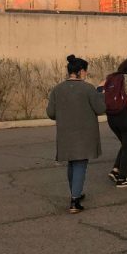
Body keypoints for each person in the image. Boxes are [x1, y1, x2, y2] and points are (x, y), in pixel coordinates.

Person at [46, 55, 106, 214]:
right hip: (84, 133)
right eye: (85, 71)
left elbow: (51, 113)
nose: (86, 74)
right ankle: (74, 201)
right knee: (80, 164)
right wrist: (100, 92)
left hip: (65, 133)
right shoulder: (88, 89)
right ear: (80, 71)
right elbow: (100, 109)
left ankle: (75, 192)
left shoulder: (57, 89)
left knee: (72, 163)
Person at [102, 57, 127, 188]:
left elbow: (99, 89)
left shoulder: (112, 77)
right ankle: (122, 178)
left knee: (125, 144)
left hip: (111, 116)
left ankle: (116, 170)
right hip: (125, 115)